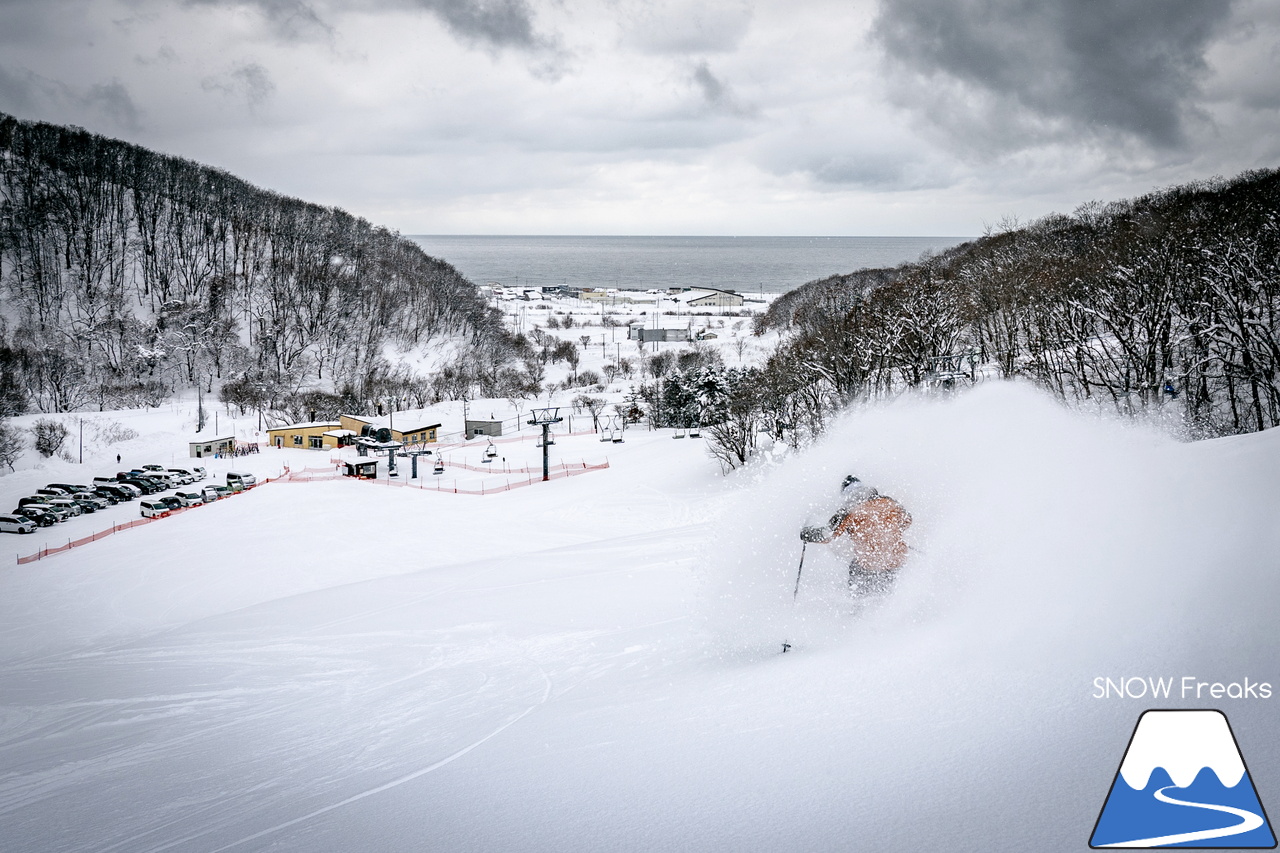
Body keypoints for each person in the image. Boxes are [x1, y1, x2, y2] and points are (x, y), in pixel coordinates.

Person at [801, 475, 912, 597]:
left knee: (859, 580)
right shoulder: (889, 502)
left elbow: (828, 535)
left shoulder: (849, 510)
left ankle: (859, 607)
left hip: (870, 563)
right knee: (888, 595)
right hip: (896, 559)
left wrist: (807, 534)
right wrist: (890, 532)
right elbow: (907, 520)